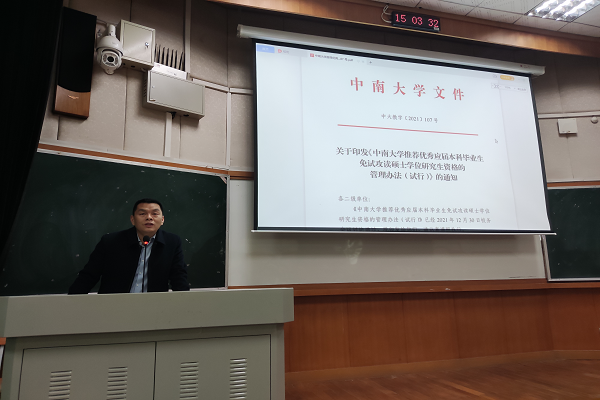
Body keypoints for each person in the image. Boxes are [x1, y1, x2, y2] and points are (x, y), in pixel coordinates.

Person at [68, 198, 189, 294]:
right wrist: (71, 302)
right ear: (132, 220)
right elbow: (89, 275)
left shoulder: (172, 242)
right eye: (142, 213)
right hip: (114, 305)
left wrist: (186, 304)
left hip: (153, 305)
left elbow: (178, 276)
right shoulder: (111, 241)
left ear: (162, 220)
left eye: (155, 214)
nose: (149, 217)